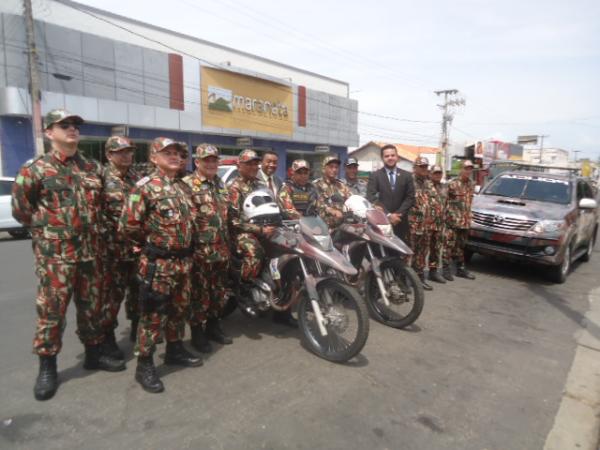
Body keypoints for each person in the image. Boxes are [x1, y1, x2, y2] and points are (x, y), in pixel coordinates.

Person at [12, 109, 125, 401]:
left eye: (75, 125)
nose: (72, 129)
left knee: (93, 310)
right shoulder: (35, 168)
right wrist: (50, 233)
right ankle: (47, 367)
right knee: (52, 313)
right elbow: (22, 211)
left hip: (92, 254)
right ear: (50, 133)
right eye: (64, 125)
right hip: (56, 258)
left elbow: (106, 206)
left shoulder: (92, 168)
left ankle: (94, 354)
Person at [119, 137, 202, 394]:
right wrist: (151, 243)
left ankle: (175, 350)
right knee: (153, 314)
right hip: (159, 262)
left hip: (183, 261)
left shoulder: (184, 187)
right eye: (168, 152)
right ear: (154, 158)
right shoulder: (144, 187)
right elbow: (127, 226)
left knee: (179, 309)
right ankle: (144, 363)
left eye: (178, 152)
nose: (175, 156)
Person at [229, 149, 296, 327]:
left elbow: (276, 207)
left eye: (254, 163)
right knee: (255, 252)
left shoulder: (261, 184)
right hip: (244, 232)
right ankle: (244, 290)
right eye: (248, 163)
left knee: (288, 256)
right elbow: (233, 221)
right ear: (240, 165)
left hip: (269, 229)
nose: (253, 166)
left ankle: (282, 311)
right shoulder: (234, 188)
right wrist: (258, 229)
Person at [182, 144, 232, 353]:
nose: (211, 163)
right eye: (207, 160)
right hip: (199, 252)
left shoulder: (221, 183)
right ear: (197, 162)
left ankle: (213, 326)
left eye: (214, 160)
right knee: (199, 295)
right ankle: (197, 333)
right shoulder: (186, 184)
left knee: (218, 292)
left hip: (221, 249)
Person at [100, 136, 141, 358]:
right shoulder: (100, 179)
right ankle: (108, 340)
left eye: (129, 151)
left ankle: (136, 329)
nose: (126, 155)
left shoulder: (137, 178)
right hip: (111, 252)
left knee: (137, 293)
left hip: (136, 251)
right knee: (111, 299)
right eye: (120, 152)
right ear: (109, 155)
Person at [367, 144, 415, 242]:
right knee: (382, 254)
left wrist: (397, 214)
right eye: (387, 156)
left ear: (397, 157)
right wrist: (388, 215)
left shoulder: (407, 176)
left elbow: (410, 198)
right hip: (381, 223)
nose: (390, 158)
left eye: (392, 155)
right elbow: (371, 197)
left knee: (400, 254)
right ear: (382, 158)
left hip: (400, 222)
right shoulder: (375, 176)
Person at [443, 160, 477, 280]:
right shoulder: (452, 184)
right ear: (461, 169)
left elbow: (469, 202)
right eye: (466, 168)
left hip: (465, 222)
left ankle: (461, 269)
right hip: (452, 222)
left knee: (461, 247)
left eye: (470, 168)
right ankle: (445, 269)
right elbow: (444, 201)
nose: (468, 171)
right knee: (448, 246)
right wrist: (446, 218)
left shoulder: (471, 184)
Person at [407, 157, 435, 291]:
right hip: (412, 225)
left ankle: (419, 279)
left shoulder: (428, 183)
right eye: (421, 166)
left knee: (422, 253)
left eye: (426, 166)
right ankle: (402, 281)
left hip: (426, 225)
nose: (424, 169)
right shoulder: (408, 182)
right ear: (415, 167)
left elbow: (433, 202)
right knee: (407, 253)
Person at [315, 155, 351, 230]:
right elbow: (317, 204)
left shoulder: (341, 185)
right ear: (324, 168)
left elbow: (351, 199)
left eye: (336, 167)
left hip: (342, 225)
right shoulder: (316, 185)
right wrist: (331, 210)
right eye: (331, 167)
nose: (334, 170)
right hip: (324, 227)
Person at [427, 165, 448, 284]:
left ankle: (433, 272)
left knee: (436, 250)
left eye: (439, 173)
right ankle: (416, 275)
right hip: (427, 224)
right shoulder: (425, 186)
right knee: (421, 251)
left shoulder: (444, 187)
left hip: (439, 224)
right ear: (430, 174)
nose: (438, 175)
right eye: (435, 173)